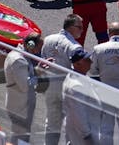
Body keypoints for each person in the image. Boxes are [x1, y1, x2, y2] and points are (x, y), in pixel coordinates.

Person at [41, 14, 84, 145]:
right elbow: (79, 69)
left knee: (51, 122)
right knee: (70, 124)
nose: (82, 30)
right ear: (71, 27)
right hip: (66, 89)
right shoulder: (74, 46)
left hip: (50, 86)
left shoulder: (48, 39)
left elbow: (43, 60)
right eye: (80, 27)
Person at [4, 32, 43, 144]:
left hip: (18, 103)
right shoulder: (19, 60)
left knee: (19, 134)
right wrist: (38, 73)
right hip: (20, 106)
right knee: (21, 135)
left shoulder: (18, 55)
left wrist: (36, 69)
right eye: (38, 48)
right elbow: (25, 85)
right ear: (30, 45)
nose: (39, 52)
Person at [62, 49, 102, 145]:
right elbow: (78, 113)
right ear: (78, 64)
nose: (91, 62)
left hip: (85, 130)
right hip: (82, 136)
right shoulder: (76, 86)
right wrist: (87, 135)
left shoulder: (78, 76)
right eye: (87, 60)